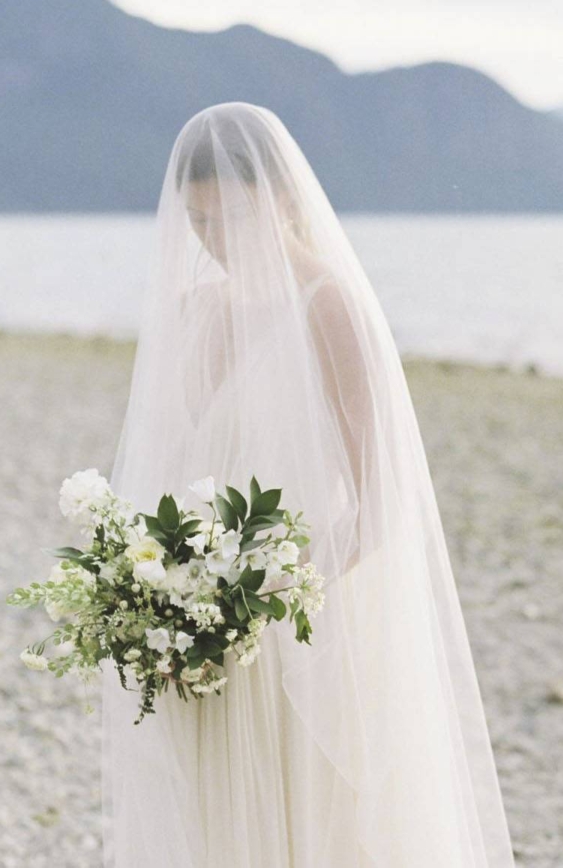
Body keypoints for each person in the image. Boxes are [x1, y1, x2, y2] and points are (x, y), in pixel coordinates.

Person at [101, 102, 515, 867]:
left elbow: (382, 496)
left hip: (304, 622)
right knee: (214, 820)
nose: (215, 241)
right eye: (197, 220)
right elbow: (173, 482)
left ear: (285, 199)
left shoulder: (332, 308)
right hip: (204, 629)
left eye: (233, 216)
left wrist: (270, 597)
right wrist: (157, 594)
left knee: (318, 828)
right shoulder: (195, 311)